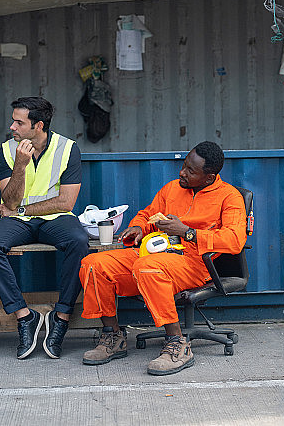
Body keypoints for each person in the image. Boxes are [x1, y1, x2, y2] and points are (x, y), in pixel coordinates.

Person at [79, 141, 247, 375]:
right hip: (152, 253)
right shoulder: (172, 189)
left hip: (194, 263)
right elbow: (147, 214)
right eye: (184, 166)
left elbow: (234, 239)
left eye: (190, 171)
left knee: (147, 267)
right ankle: (113, 337)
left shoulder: (229, 197)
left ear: (209, 178)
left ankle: (178, 344)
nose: (182, 173)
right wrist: (138, 227)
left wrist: (187, 232)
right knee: (94, 264)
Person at [0, 97, 90, 360]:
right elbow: (10, 200)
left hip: (56, 218)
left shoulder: (68, 148)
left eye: (19, 122)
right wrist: (20, 165)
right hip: (18, 222)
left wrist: (21, 210)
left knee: (78, 241)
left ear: (38, 125)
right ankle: (24, 316)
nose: (12, 127)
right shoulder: (8, 150)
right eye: (13, 120)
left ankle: (61, 317)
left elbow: (66, 201)